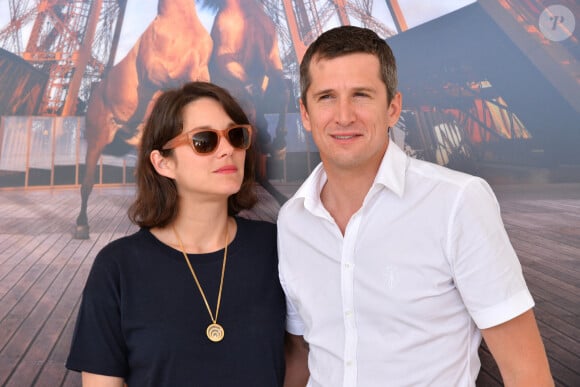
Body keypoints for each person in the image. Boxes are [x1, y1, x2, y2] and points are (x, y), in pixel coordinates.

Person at [278, 26, 553, 387]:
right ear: (305, 113)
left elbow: (526, 374)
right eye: (327, 96)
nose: (344, 116)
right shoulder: (293, 220)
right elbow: (302, 355)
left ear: (393, 108)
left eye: (361, 95)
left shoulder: (457, 202)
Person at [66, 81, 286, 386]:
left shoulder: (277, 248)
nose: (227, 150)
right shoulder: (118, 267)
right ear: (163, 162)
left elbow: (303, 356)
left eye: (236, 136)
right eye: (204, 140)